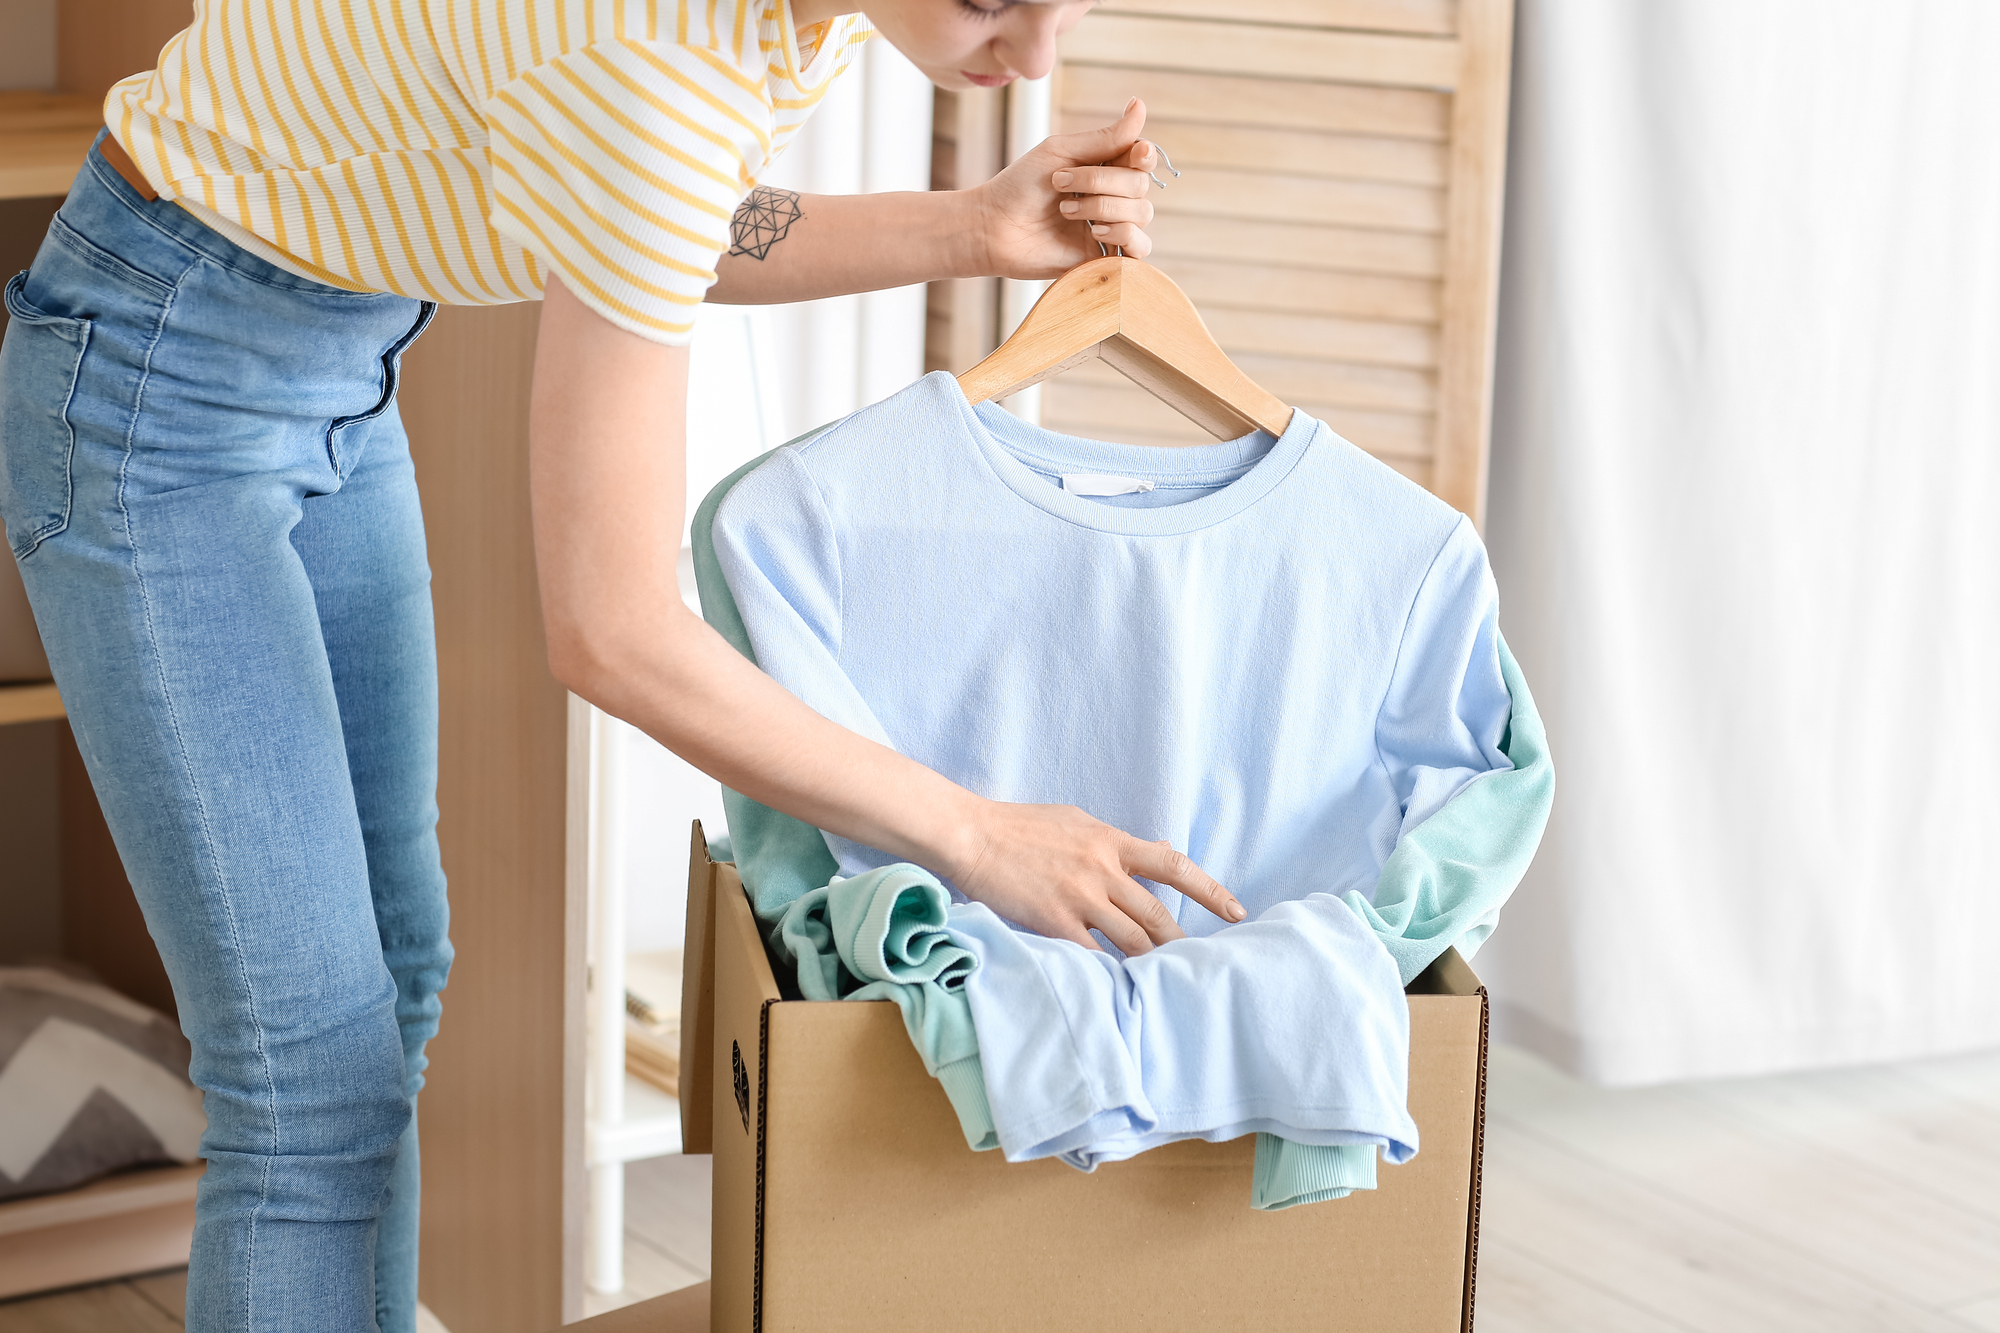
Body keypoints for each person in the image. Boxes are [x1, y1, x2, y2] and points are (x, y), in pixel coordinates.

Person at [0, 0, 1246, 1328]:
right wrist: (973, 832)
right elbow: (614, 631)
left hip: (334, 344)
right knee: (306, 1073)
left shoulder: (778, 29)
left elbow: (652, 210)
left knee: (398, 971)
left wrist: (974, 228)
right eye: (995, 2)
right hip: (159, 386)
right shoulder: (645, 66)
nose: (1037, 57)